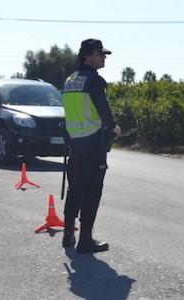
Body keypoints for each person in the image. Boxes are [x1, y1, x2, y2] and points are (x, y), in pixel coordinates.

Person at [61, 39, 121, 253]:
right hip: (94, 142)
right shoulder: (94, 80)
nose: (103, 57)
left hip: (75, 142)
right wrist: (113, 127)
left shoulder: (70, 80)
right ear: (87, 56)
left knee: (75, 188)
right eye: (100, 53)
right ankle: (85, 239)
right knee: (92, 190)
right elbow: (103, 108)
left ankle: (68, 233)